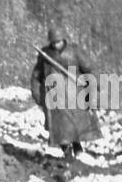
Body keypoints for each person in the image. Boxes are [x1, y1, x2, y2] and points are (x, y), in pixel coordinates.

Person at [31, 26, 101, 158]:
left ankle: (77, 148)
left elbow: (90, 70)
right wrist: (37, 95)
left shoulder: (75, 52)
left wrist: (94, 87)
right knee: (58, 127)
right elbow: (36, 76)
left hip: (75, 93)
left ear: (63, 40)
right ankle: (67, 153)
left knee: (75, 124)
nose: (56, 45)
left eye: (58, 42)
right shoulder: (45, 54)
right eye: (53, 43)